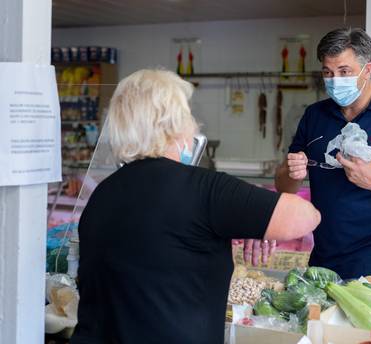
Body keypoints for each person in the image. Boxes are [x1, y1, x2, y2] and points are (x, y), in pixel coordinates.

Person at [70, 69, 321, 344]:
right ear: (175, 123)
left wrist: (246, 219)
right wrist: (245, 218)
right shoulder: (202, 188)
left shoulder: (103, 193)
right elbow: (305, 216)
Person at [246, 28, 371, 284]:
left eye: (344, 72)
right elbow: (284, 185)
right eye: (327, 72)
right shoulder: (314, 116)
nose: (335, 80)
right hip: (323, 262)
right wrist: (292, 173)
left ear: (367, 70)